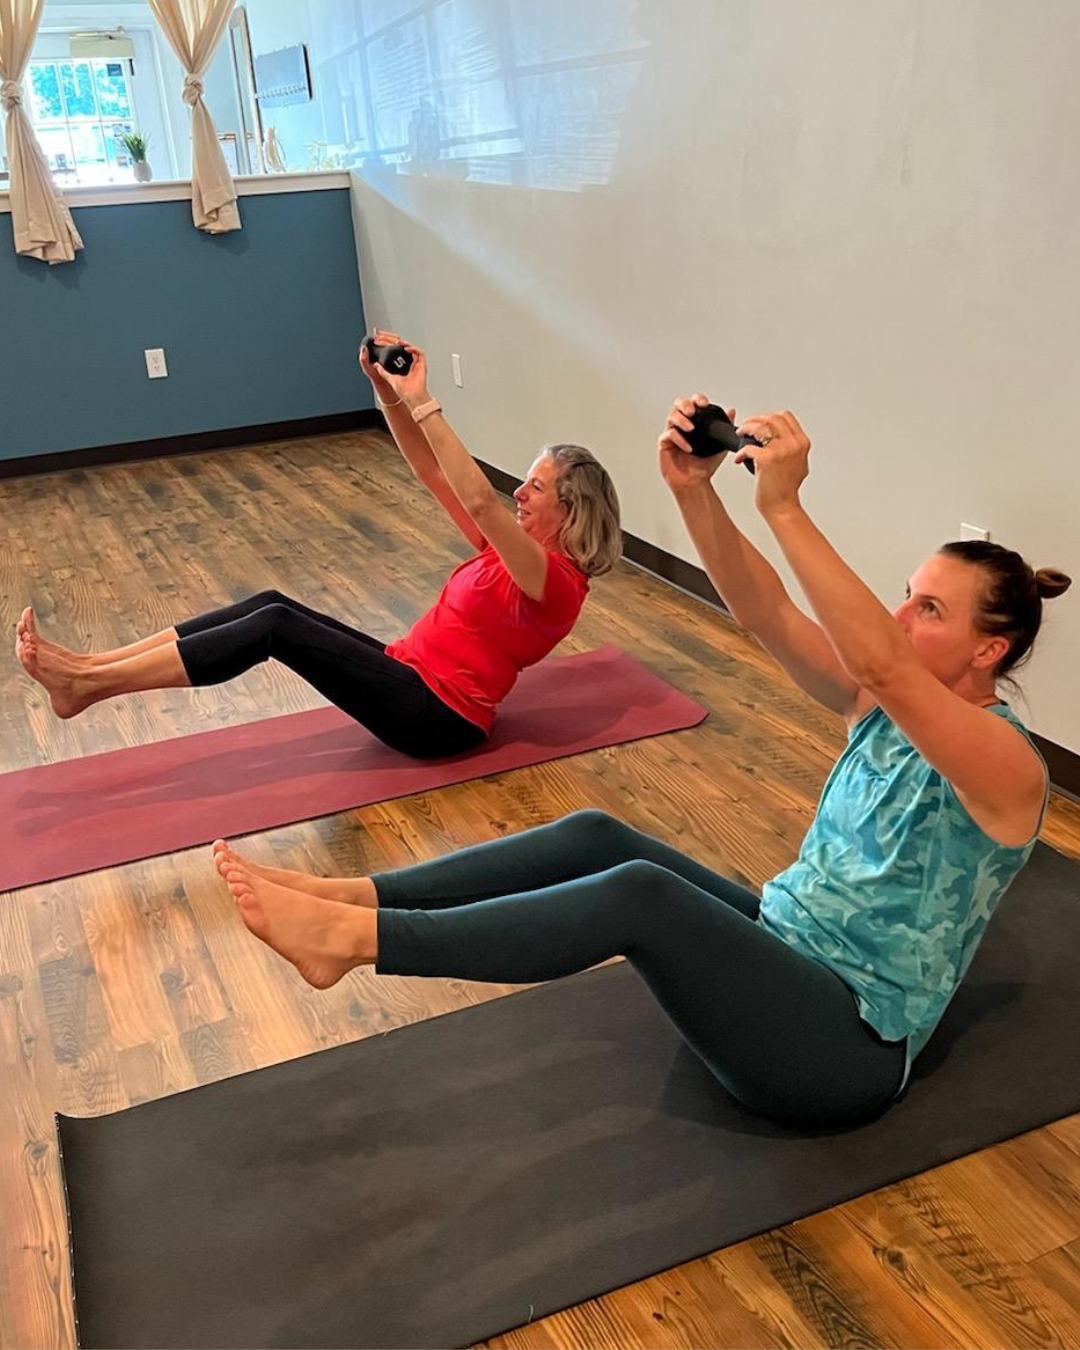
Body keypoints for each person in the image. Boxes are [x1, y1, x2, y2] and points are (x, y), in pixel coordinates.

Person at [211, 394, 1070, 1129]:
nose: (899, 615)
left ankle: (356, 941)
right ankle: (349, 896)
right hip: (781, 953)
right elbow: (766, 610)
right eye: (907, 594)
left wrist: (785, 507)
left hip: (840, 1050)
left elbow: (880, 657)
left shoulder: (1006, 767)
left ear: (990, 649)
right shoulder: (876, 708)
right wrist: (694, 492)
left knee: (641, 897)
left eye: (927, 608)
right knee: (596, 836)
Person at [15, 332, 621, 760]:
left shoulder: (555, 583)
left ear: (568, 512)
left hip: (438, 716)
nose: (518, 492)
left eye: (535, 488)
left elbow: (484, 501)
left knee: (277, 626)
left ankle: (91, 686)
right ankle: (91, 668)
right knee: (270, 601)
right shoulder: (508, 554)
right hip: (407, 672)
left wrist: (422, 399)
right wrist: (387, 393)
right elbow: (436, 474)